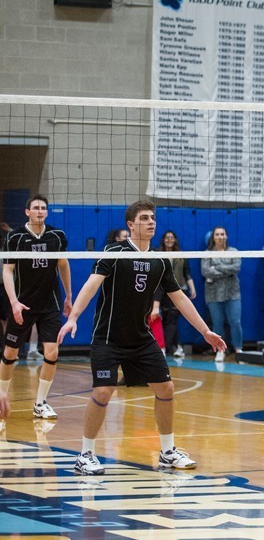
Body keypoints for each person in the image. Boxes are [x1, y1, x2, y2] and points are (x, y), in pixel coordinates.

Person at [57, 199, 226, 475]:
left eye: (153, 218)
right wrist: (73, 317)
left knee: (166, 389)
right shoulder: (113, 252)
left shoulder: (160, 259)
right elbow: (91, 285)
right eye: (145, 218)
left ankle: (167, 452)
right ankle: (85, 454)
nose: (151, 223)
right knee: (102, 391)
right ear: (131, 224)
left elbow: (180, 297)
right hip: (108, 338)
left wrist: (205, 331)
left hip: (141, 338)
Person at [1, 195, 72, 421]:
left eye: (43, 208)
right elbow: (7, 271)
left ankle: (40, 403)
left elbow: (63, 265)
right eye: (36, 208)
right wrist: (13, 302)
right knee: (10, 353)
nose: (40, 211)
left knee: (52, 353)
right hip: (22, 304)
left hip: (50, 304)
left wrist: (69, 296)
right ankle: (1, 398)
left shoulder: (56, 236)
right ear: (27, 212)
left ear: (47, 212)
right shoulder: (15, 237)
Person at [201, 227, 242, 362]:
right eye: (217, 234)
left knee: (235, 322)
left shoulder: (233, 251)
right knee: (217, 324)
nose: (220, 237)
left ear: (226, 236)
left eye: (222, 234)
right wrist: (226, 272)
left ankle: (238, 350)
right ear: (213, 237)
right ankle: (220, 351)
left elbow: (236, 268)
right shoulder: (207, 253)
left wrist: (216, 268)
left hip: (232, 292)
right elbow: (206, 272)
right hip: (213, 294)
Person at [157, 230, 195, 359]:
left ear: (175, 240)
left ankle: (166, 348)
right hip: (161, 291)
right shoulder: (157, 254)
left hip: (179, 290)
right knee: (167, 319)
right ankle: (177, 347)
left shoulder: (180, 255)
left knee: (172, 319)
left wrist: (192, 288)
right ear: (163, 239)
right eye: (166, 237)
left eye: (171, 237)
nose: (169, 239)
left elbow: (187, 273)